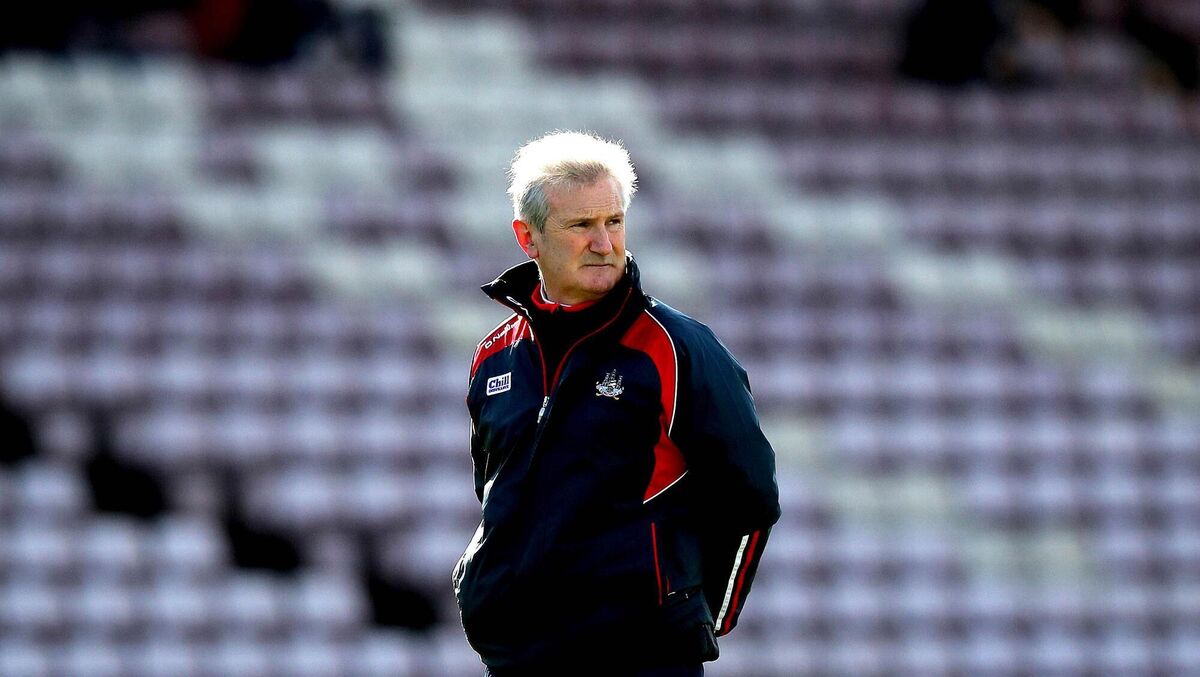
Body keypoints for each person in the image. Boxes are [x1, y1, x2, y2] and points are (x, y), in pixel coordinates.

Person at [454, 131, 781, 676]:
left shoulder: (676, 349)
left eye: (613, 221)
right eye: (581, 225)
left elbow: (751, 495)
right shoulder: (494, 358)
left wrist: (694, 615)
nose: (604, 242)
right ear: (527, 237)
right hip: (520, 658)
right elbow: (495, 493)